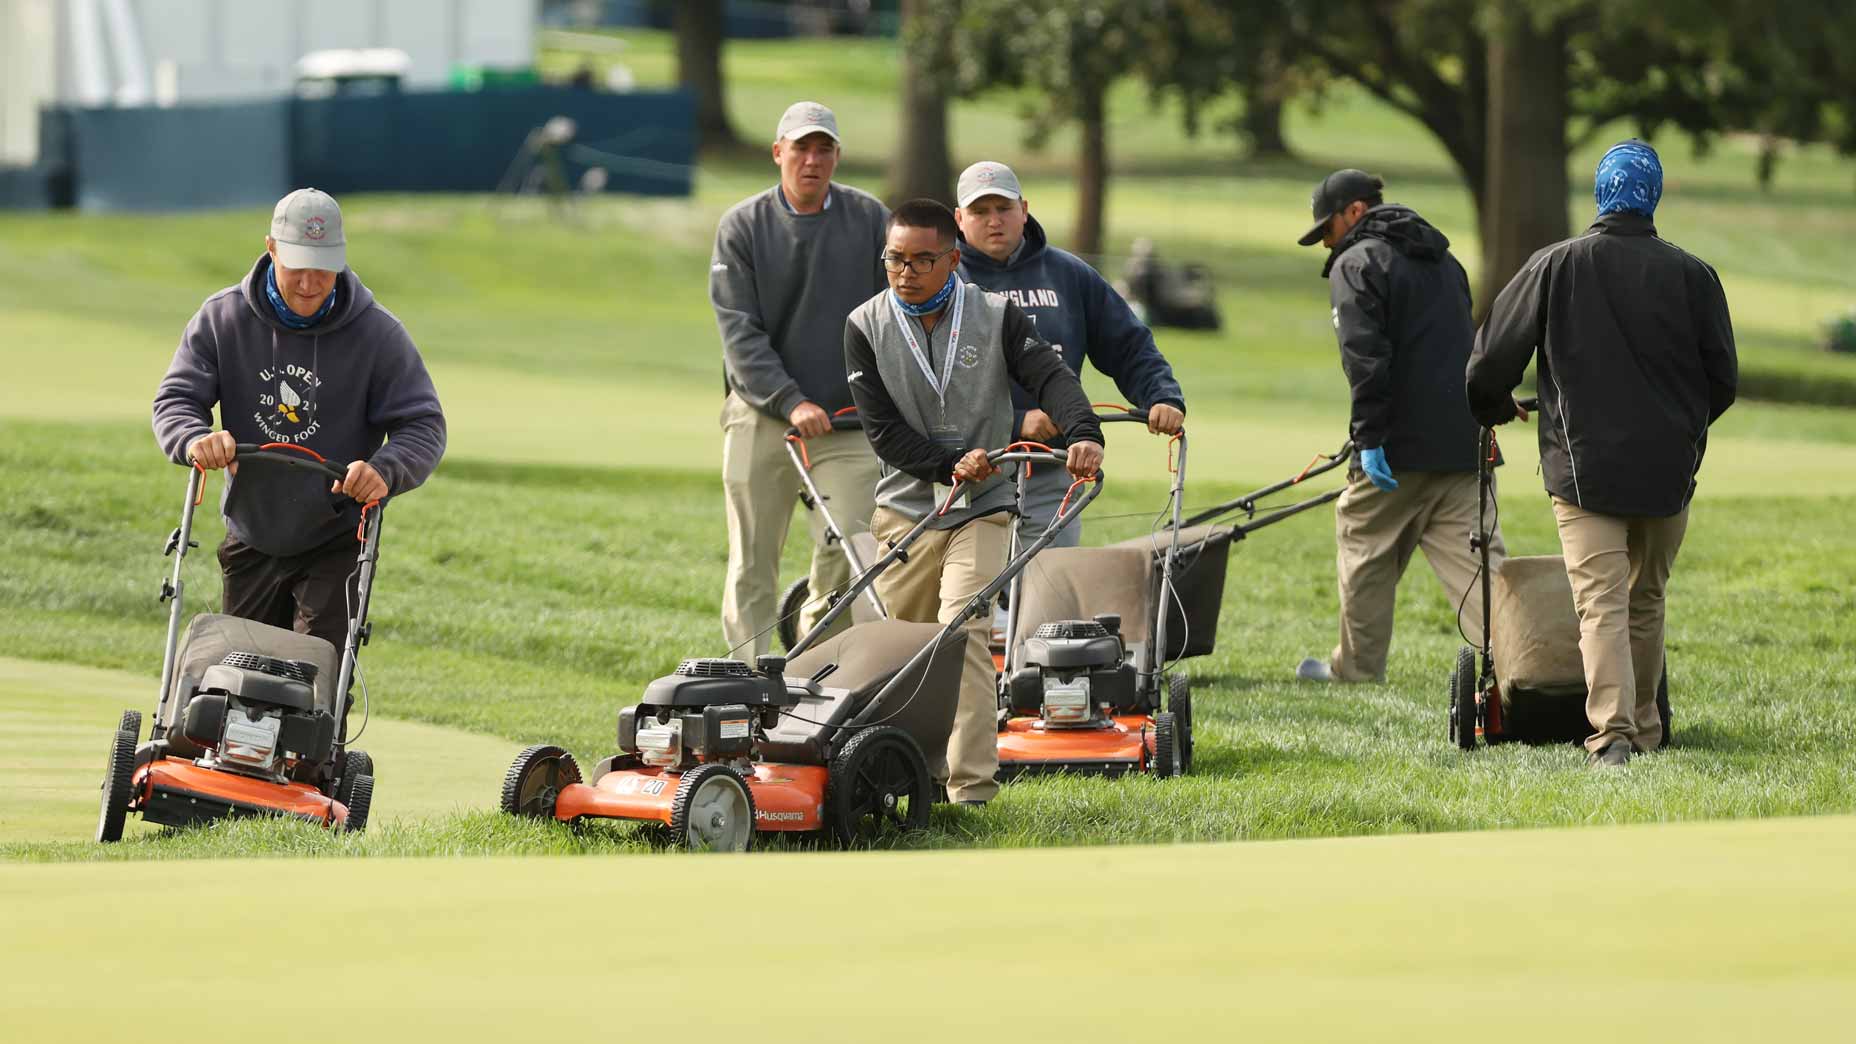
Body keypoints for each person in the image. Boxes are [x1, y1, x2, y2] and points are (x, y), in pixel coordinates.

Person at [1467, 140, 1736, 768]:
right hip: (1669, 471)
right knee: (1647, 598)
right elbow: (1722, 380)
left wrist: (1494, 408)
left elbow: (1487, 365)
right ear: (1654, 196)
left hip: (1584, 468)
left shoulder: (1555, 264)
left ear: (1600, 193)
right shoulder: (1694, 275)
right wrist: (1684, 435)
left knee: (1602, 602)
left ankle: (1613, 735)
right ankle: (1647, 730)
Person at [845, 199, 1105, 806]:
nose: (906, 272)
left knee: (962, 631)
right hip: (907, 509)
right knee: (905, 650)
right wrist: (943, 464)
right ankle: (912, 779)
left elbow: (1051, 377)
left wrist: (1084, 432)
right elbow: (880, 429)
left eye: (922, 260)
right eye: (895, 259)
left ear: (953, 259)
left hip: (984, 505)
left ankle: (972, 790)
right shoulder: (864, 325)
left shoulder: (996, 315)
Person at [152, 188, 446, 650]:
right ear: (271, 249)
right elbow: (176, 399)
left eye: (323, 268)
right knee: (235, 679)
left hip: (337, 536)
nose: (310, 282)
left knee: (314, 682)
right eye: (297, 267)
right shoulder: (222, 317)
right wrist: (194, 439)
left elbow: (424, 425)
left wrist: (384, 470)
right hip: (253, 531)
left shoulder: (378, 334)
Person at [1291, 169, 1500, 684]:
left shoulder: (1356, 262)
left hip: (1397, 449)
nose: (1327, 243)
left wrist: (1369, 440)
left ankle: (1356, 673)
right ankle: (1528, 664)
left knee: (1364, 547)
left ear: (1355, 213)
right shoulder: (1446, 261)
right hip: (1463, 444)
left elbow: (1364, 360)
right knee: (1484, 574)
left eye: (1328, 230)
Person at [711, 100, 889, 657]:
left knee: (849, 549)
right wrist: (790, 401)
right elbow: (740, 332)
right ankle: (749, 680)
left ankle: (809, 661)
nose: (812, 160)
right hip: (762, 412)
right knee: (752, 560)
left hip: (846, 419)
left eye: (824, 149)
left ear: (836, 156)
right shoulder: (742, 225)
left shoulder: (870, 220)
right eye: (801, 148)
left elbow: (894, 313)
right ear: (778, 153)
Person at [953, 160, 1184, 549]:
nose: (994, 221)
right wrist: (1017, 421)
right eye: (979, 211)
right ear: (959, 219)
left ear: (1024, 210)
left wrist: (1160, 395)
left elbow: (1128, 345)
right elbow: (932, 385)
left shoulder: (1068, 274)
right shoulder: (944, 281)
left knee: (1050, 589)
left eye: (1004, 209)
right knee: (976, 596)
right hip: (971, 469)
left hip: (1053, 468)